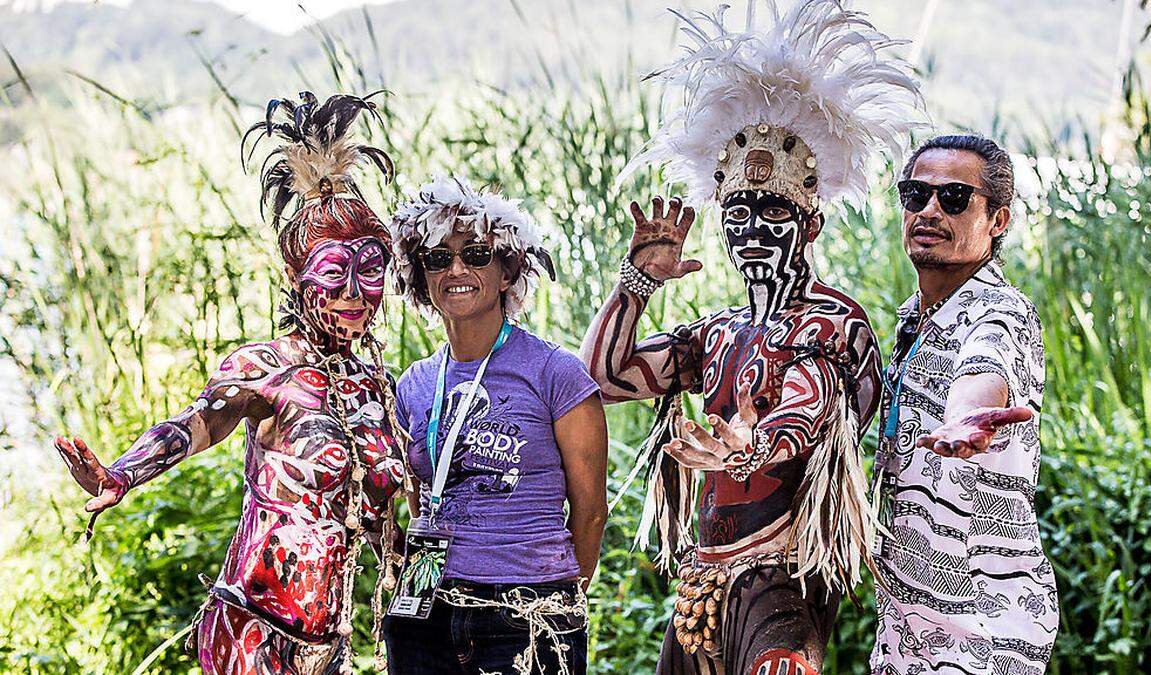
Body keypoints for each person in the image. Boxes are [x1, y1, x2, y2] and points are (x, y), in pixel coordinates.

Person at [581, 2, 925, 673]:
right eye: (738, 211)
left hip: (783, 580)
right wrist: (637, 282)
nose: (752, 228)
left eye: (774, 210)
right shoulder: (716, 333)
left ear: (811, 223)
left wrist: (756, 443)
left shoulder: (835, 321)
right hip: (701, 584)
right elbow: (605, 374)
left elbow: (814, 400)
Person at [52, 91, 408, 675]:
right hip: (250, 633)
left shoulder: (380, 389)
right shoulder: (267, 368)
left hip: (328, 647)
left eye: (370, 270)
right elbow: (195, 424)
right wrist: (121, 474)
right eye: (333, 273)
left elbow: (392, 524)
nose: (353, 293)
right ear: (296, 278)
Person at [383, 177, 608, 675]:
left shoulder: (556, 373)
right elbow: (415, 496)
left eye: (477, 254)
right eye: (438, 258)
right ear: (421, 278)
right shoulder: (414, 383)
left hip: (527, 614)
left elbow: (591, 512)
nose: (457, 269)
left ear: (507, 271)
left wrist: (557, 595)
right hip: (425, 610)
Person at [870, 134, 1059, 674]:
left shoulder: (998, 311)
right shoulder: (915, 319)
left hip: (983, 627)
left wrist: (965, 421)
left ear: (997, 220)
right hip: (907, 623)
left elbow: (983, 371)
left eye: (953, 198)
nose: (929, 211)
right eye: (915, 194)